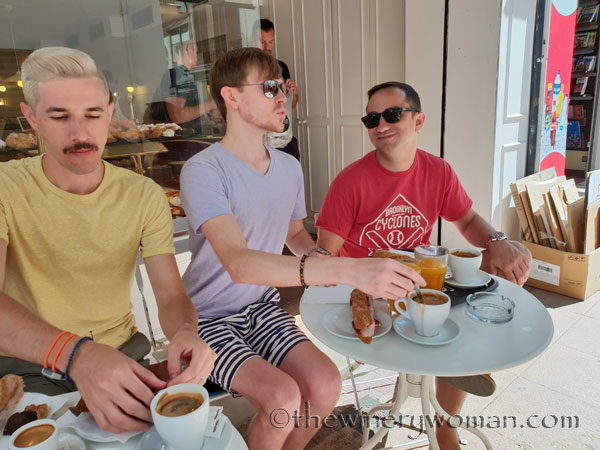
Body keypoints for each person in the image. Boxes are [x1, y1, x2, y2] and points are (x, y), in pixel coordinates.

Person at [179, 48, 425, 450]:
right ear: (231, 97)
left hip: (261, 309)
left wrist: (319, 259)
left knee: (325, 384)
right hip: (206, 318)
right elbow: (238, 264)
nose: (283, 97)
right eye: (270, 88)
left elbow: (294, 234)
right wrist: (347, 270)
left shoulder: (288, 167)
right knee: (282, 398)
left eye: (283, 88)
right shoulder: (204, 170)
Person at [0, 47, 216, 434]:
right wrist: (77, 355)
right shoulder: (6, 188)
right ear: (31, 118)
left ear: (110, 111)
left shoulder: (143, 195)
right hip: (27, 370)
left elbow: (170, 295)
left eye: (93, 114)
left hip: (123, 356)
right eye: (59, 116)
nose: (81, 133)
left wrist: (186, 332)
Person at [316, 81, 532, 450]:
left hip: (418, 284)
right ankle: (453, 370)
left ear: (419, 121)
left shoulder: (438, 172)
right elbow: (327, 257)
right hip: (369, 290)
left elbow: (467, 220)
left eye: (392, 114)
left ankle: (445, 417)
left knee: (493, 273)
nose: (381, 125)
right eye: (372, 119)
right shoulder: (350, 182)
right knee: (447, 330)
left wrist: (498, 242)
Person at [259, 18, 300, 161]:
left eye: (271, 42)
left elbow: (291, 104)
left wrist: (293, 92)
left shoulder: (281, 67)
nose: (267, 47)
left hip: (285, 138)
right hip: (263, 142)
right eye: (262, 42)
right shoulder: (249, 71)